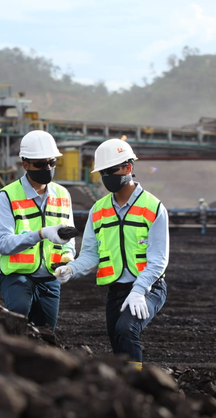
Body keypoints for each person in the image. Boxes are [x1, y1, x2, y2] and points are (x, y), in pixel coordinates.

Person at [55, 138, 168, 370]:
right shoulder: (98, 210)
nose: (106, 177)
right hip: (116, 291)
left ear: (128, 168)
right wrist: (71, 269)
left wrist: (138, 291)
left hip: (148, 287)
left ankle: (137, 386)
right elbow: (90, 254)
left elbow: (158, 260)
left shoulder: (153, 207)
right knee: (117, 343)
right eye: (103, 172)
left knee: (127, 329)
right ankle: (126, 387)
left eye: (111, 170)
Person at [0, 130, 76, 331]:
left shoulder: (63, 195)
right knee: (18, 321)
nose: (47, 168)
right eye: (40, 164)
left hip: (50, 278)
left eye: (51, 163)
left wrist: (68, 258)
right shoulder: (7, 196)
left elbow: (68, 238)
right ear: (25, 164)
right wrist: (40, 234)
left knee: (46, 335)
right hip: (16, 276)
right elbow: (3, 243)